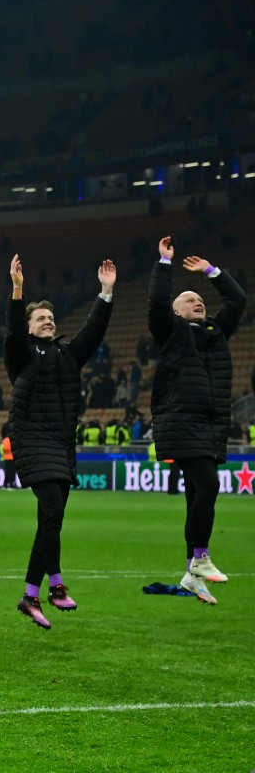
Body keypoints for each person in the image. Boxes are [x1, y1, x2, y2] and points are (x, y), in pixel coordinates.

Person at [5, 253, 114, 630]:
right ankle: (44, 589)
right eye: (40, 319)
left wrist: (105, 292)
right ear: (30, 328)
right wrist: (18, 291)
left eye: (51, 318)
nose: (48, 321)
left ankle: (42, 591)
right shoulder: (20, 356)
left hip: (62, 444)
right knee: (52, 510)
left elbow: (93, 332)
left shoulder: (68, 355)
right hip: (32, 441)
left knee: (51, 519)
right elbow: (12, 332)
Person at [148, 236, 246, 604]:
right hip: (180, 419)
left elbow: (237, 299)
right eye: (189, 299)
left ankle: (192, 573)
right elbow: (156, 301)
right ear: (177, 312)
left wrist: (210, 271)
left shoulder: (215, 333)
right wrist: (164, 263)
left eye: (200, 297)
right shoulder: (170, 333)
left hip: (209, 423)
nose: (198, 300)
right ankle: (201, 557)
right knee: (208, 485)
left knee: (196, 495)